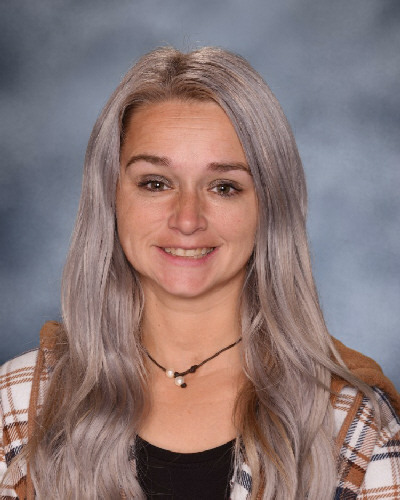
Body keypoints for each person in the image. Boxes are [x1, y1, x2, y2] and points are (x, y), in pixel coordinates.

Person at [0, 47, 399, 500]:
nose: (187, 219)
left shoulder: (350, 424)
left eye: (224, 187)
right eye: (155, 183)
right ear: (110, 199)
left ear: (270, 207)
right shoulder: (20, 406)